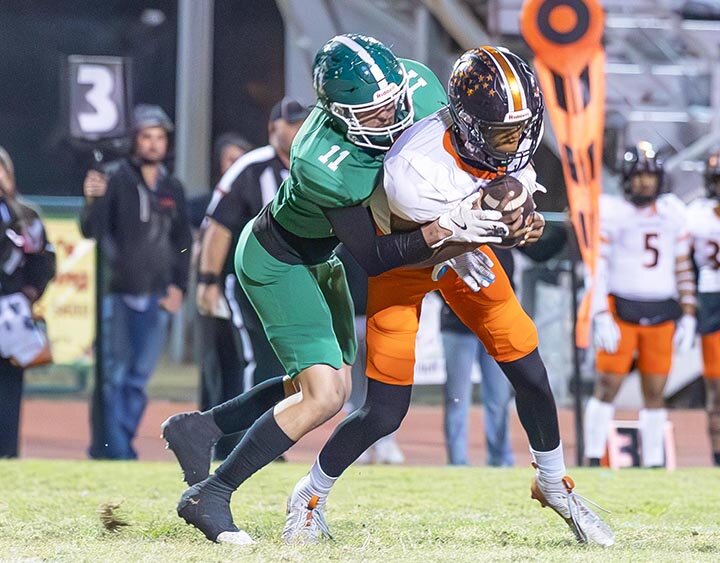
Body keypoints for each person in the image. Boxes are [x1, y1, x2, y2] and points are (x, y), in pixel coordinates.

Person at [166, 34, 509, 546]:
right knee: (324, 395)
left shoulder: (417, 84)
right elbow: (374, 255)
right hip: (279, 259)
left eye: (394, 104)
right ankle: (212, 494)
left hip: (319, 258)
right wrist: (446, 234)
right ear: (338, 115)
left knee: (331, 386)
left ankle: (203, 428)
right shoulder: (321, 161)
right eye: (373, 114)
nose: (392, 119)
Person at [282, 46, 613, 547]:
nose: (516, 140)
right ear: (468, 123)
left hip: (463, 251)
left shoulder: (501, 138)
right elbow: (395, 249)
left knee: (530, 368)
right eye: (503, 131)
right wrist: (464, 235)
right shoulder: (413, 168)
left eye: (521, 128)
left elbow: (508, 193)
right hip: (406, 258)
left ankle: (553, 482)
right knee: (386, 410)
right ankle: (309, 496)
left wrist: (520, 221)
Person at [191, 99, 308, 460]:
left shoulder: (313, 168)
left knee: (291, 367)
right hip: (250, 281)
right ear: (274, 128)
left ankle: (271, 441)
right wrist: (208, 280)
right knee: (253, 361)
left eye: (303, 123)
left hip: (297, 282)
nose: (299, 130)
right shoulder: (251, 167)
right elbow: (218, 227)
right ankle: (246, 445)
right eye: (292, 124)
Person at [80, 104, 192, 460]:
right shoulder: (114, 178)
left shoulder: (172, 186)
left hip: (158, 295)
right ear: (134, 140)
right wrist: (91, 201)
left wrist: (179, 287)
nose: (154, 144)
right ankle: (114, 450)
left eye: (160, 137)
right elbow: (90, 230)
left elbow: (182, 242)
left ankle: (121, 443)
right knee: (114, 376)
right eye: (147, 136)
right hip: (118, 293)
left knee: (138, 380)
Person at [584, 141, 696, 468]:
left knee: (656, 390)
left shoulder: (673, 213)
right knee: (607, 385)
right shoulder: (612, 211)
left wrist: (688, 313)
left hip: (662, 309)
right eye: (638, 176)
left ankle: (653, 464)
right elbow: (597, 266)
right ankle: (592, 456)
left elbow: (682, 266)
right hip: (620, 307)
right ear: (626, 178)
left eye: (649, 176)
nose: (644, 182)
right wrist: (600, 311)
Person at [0, 146, 56, 458]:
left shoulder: (26, 217)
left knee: (9, 385)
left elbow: (44, 261)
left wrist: (30, 292)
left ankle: (7, 454)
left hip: (11, 311)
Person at [440, 253, 515, 467]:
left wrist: (568, 230)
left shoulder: (503, 226)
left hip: (496, 323)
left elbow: (536, 250)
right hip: (457, 326)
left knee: (499, 397)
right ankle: (458, 462)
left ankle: (500, 460)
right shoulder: (452, 222)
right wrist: (456, 300)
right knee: (456, 398)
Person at [688, 149, 720, 467]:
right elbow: (682, 261)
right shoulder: (695, 213)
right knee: (717, 388)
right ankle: (717, 460)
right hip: (712, 298)